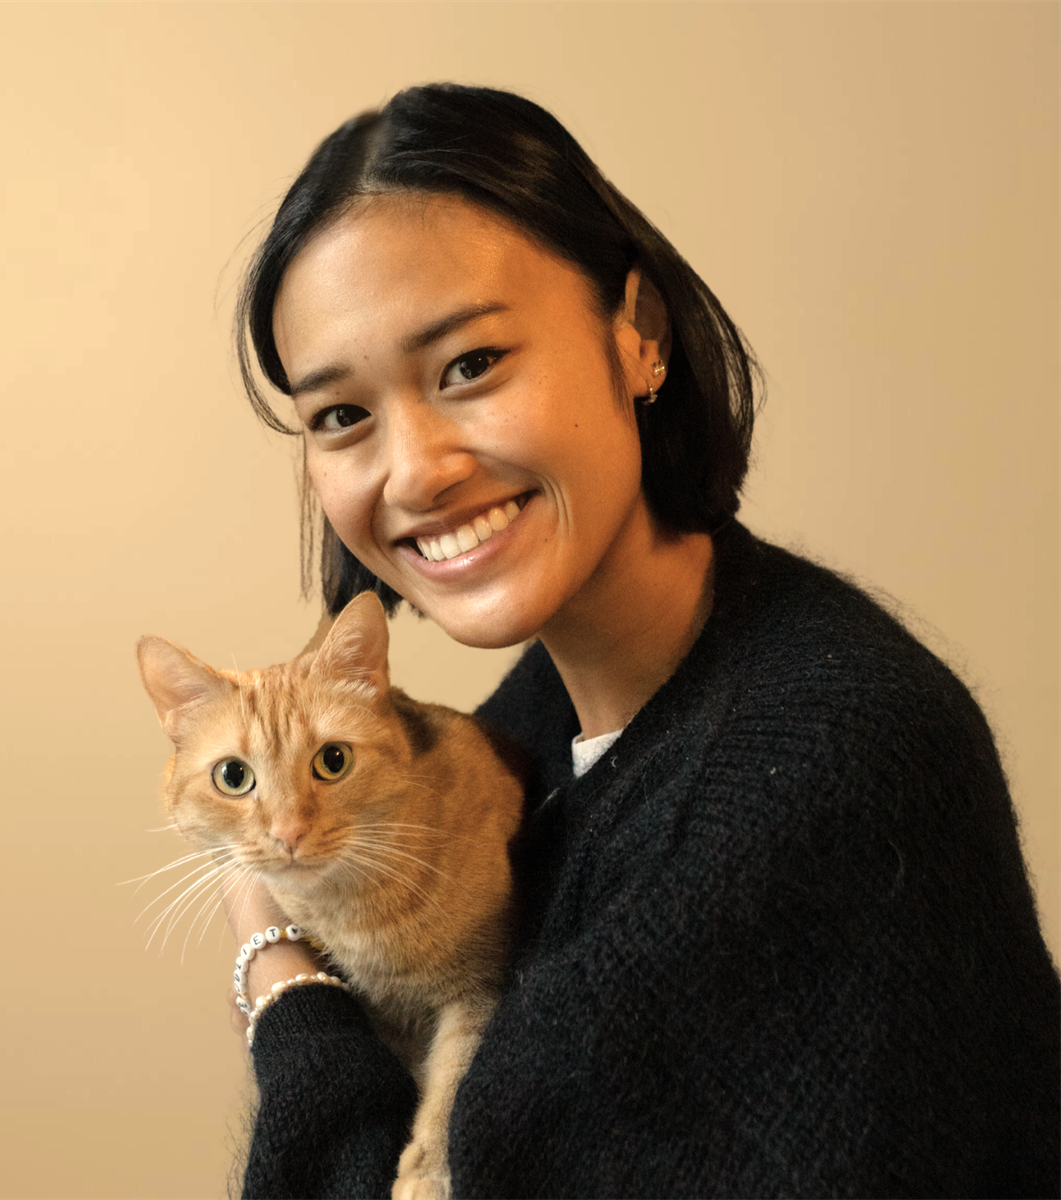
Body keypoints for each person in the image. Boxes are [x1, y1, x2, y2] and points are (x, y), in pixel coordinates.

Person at [221, 84, 1061, 1198]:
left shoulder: (824, 769)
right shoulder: (530, 729)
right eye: (342, 415)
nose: (414, 470)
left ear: (639, 336)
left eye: (469, 365)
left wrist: (277, 976)